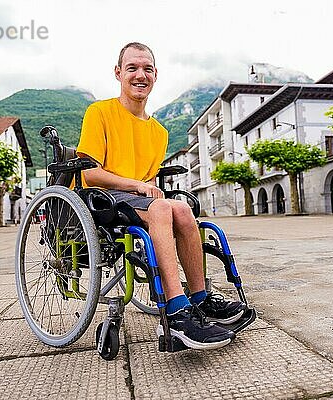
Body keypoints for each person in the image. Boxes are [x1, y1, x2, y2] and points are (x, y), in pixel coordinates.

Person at [76, 42, 246, 350]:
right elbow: (89, 174)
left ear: (155, 75)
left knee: (180, 209)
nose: (140, 75)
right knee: (161, 208)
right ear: (118, 73)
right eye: (132, 68)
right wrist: (137, 186)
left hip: (137, 200)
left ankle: (200, 299)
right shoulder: (99, 112)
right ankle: (176, 312)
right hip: (103, 198)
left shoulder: (159, 132)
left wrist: (149, 191)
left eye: (147, 69)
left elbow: (151, 181)